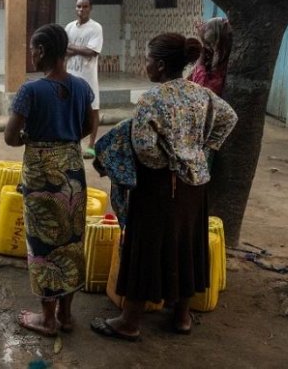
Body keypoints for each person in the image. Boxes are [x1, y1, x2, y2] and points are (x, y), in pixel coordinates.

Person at [90, 33, 237, 342]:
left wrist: (167, 161)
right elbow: (229, 117)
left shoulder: (151, 100)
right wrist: (199, 149)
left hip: (159, 187)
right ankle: (182, 317)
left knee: (146, 247)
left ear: (158, 65)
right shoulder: (201, 94)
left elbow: (145, 149)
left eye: (146, 59)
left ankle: (129, 322)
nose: (145, 65)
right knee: (186, 243)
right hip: (195, 185)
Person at [4, 24, 96, 337]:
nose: (31, 54)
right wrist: (65, 139)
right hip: (73, 169)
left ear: (42, 51)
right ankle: (67, 315)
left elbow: (10, 137)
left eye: (33, 49)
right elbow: (88, 125)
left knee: (42, 244)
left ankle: (47, 319)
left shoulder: (30, 91)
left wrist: (33, 138)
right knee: (70, 241)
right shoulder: (83, 88)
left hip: (42, 174)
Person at [65, 0, 103, 159]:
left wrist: (72, 47)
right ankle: (74, 143)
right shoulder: (69, 27)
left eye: (85, 7)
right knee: (71, 109)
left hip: (88, 76)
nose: (81, 10)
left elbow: (92, 52)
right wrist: (79, 49)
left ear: (90, 8)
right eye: (79, 6)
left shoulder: (96, 28)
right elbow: (63, 49)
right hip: (71, 74)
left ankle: (91, 145)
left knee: (92, 109)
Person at [188, 17, 232, 96]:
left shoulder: (227, 62)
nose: (208, 48)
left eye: (211, 44)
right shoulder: (213, 58)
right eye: (206, 44)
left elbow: (204, 93)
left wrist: (200, 64)